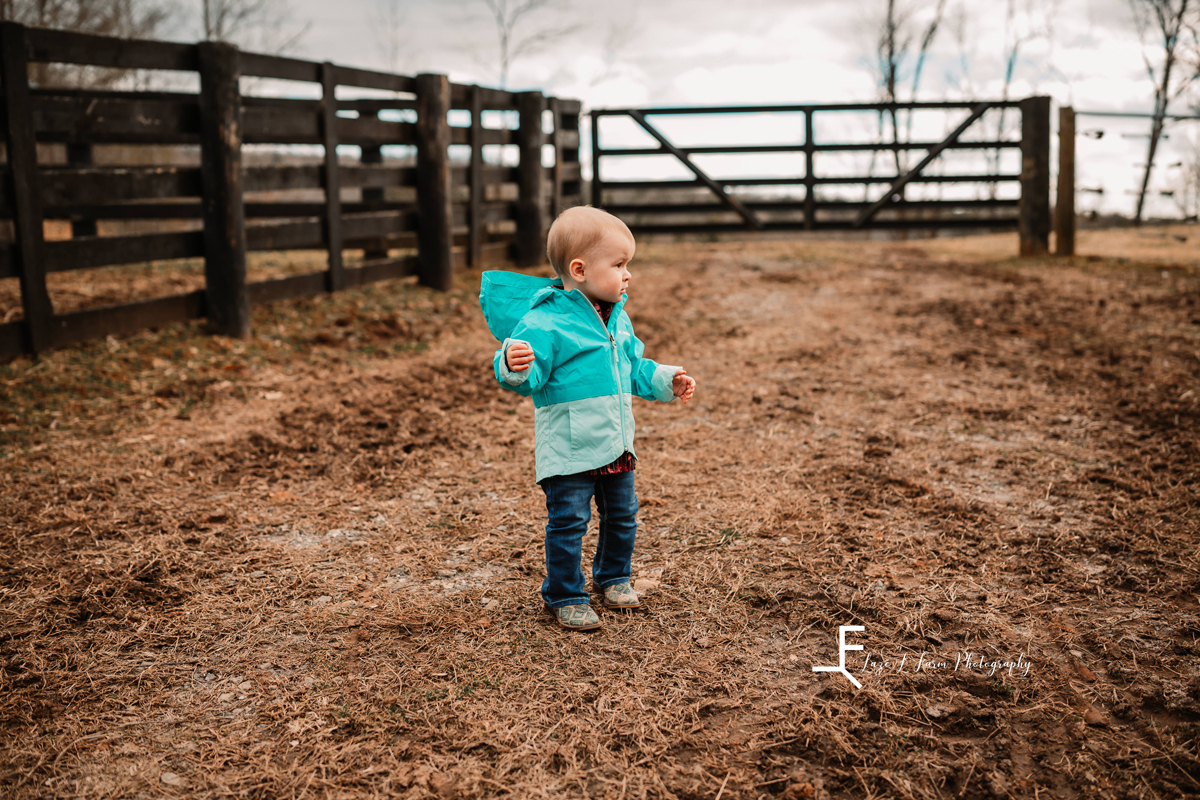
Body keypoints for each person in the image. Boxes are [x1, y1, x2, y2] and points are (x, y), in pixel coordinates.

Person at [479, 206, 696, 631]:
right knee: (569, 521)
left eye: (627, 264)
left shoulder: (618, 318)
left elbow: (634, 368)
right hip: (571, 448)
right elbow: (527, 377)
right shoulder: (544, 321)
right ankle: (565, 593)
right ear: (579, 269)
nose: (627, 274)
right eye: (618, 265)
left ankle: (613, 576)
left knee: (623, 514)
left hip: (616, 443)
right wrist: (513, 362)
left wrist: (667, 379)